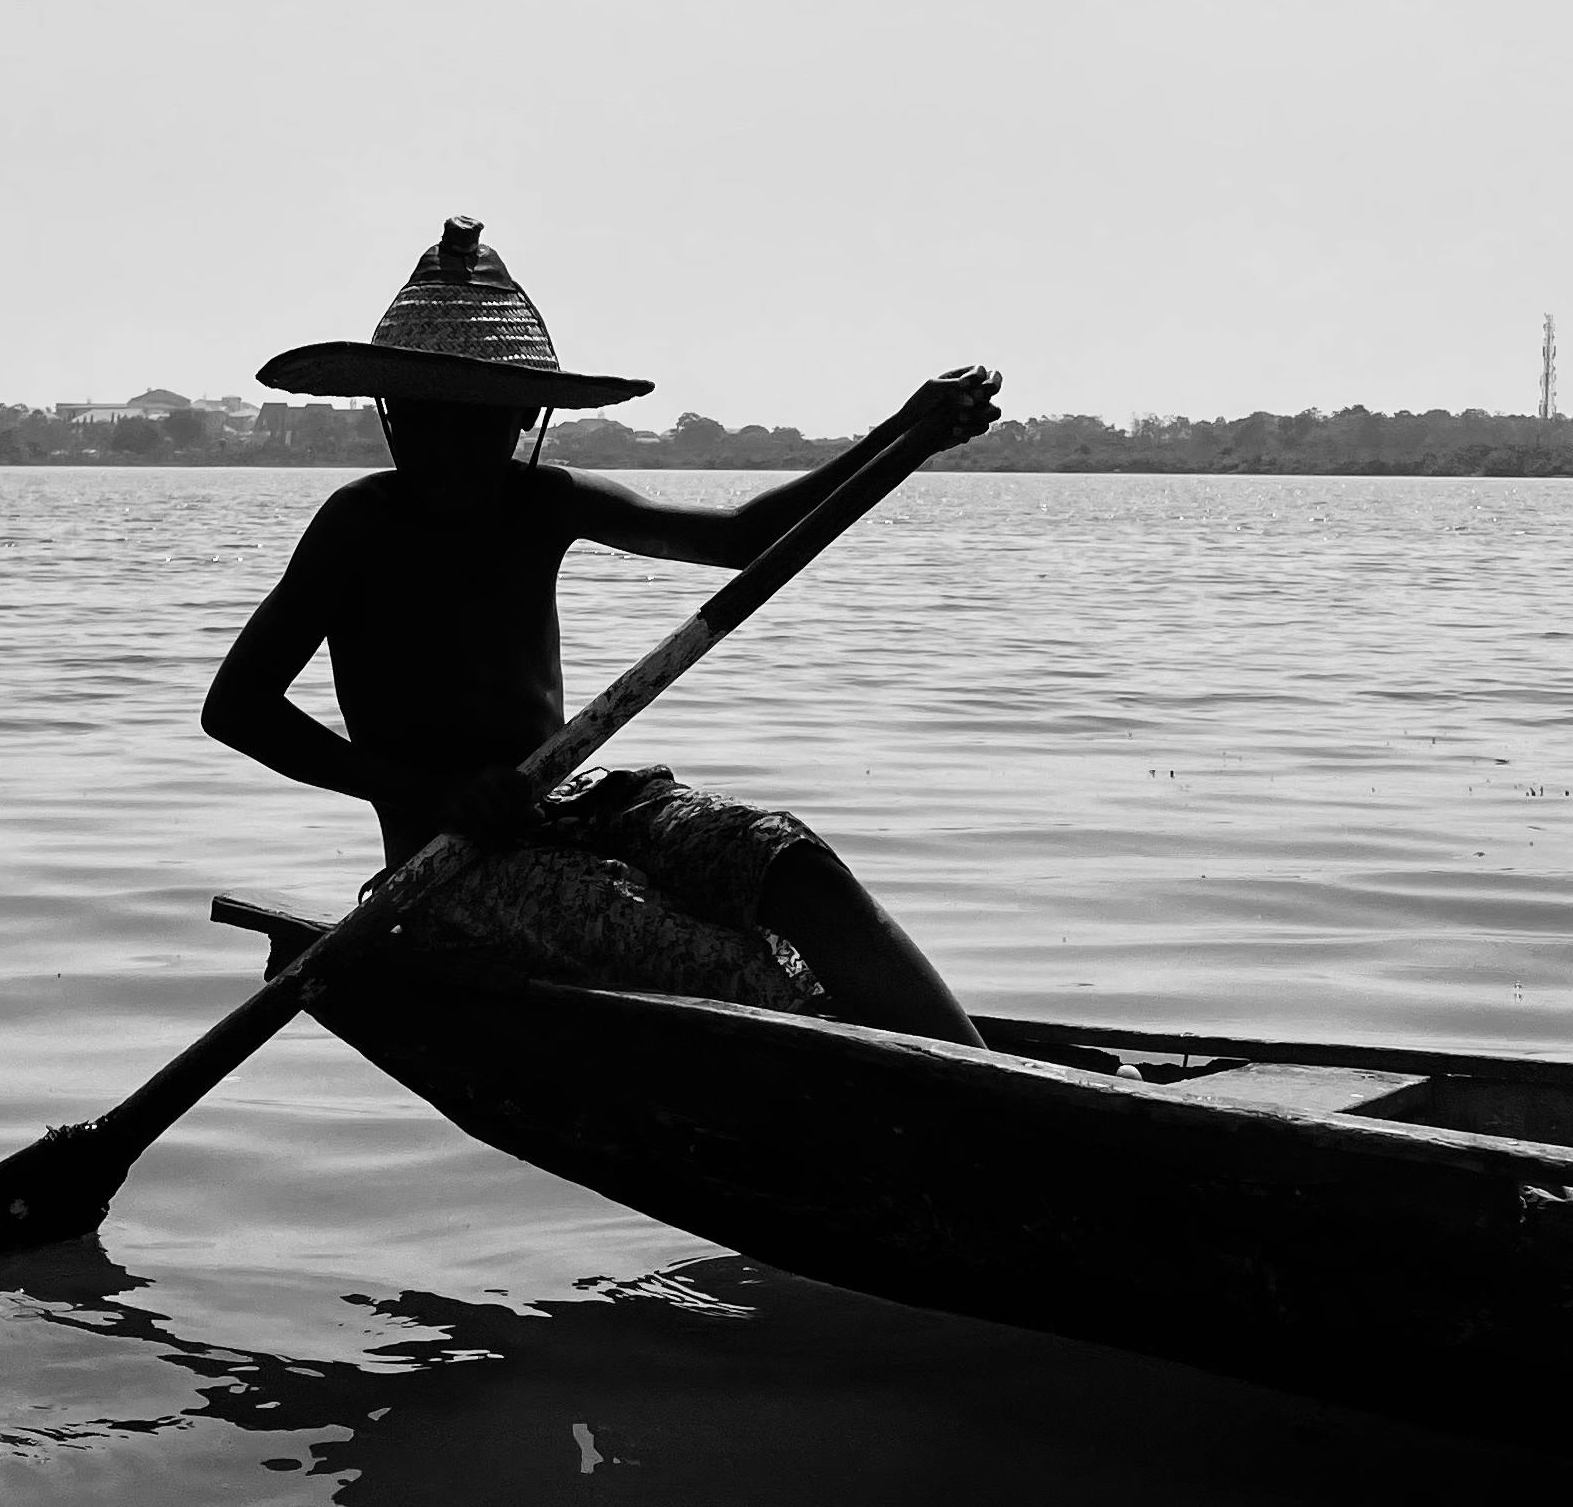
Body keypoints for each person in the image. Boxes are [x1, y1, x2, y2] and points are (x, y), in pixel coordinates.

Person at [203, 216, 1000, 1040]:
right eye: (422, 416)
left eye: (473, 419)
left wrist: (904, 439)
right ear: (392, 414)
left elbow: (736, 541)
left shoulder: (546, 501)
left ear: (521, 419)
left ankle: (990, 1083)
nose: (444, 444)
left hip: (574, 806)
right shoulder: (359, 525)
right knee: (726, 969)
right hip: (447, 866)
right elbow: (236, 709)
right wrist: (432, 794)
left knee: (793, 864)